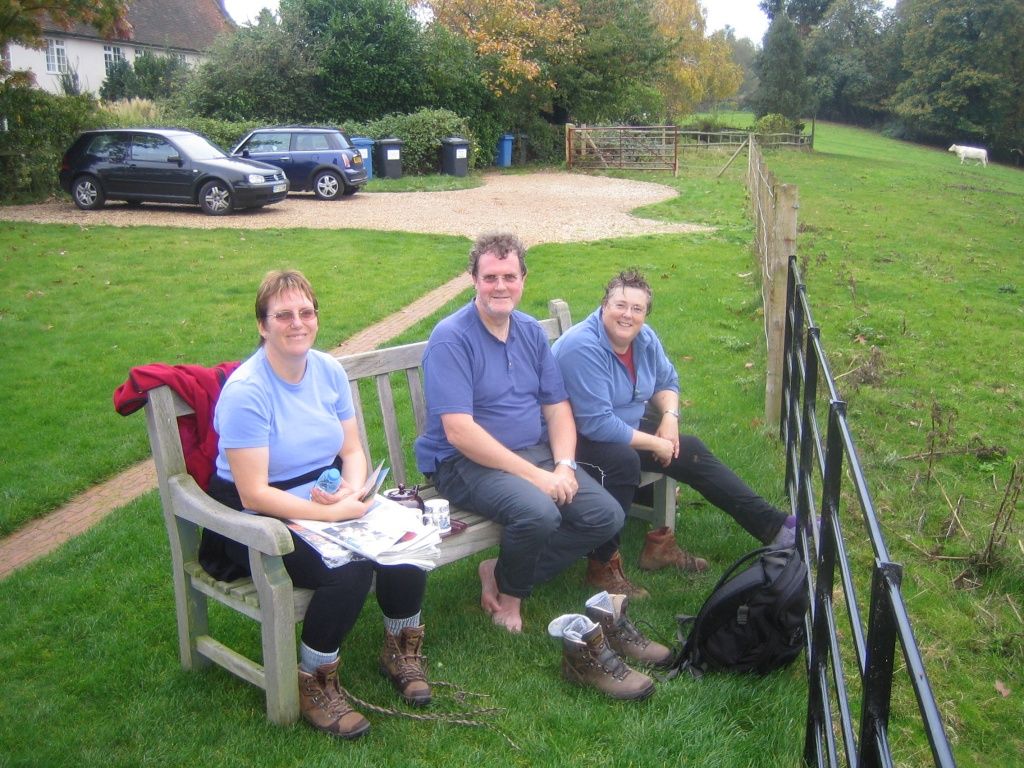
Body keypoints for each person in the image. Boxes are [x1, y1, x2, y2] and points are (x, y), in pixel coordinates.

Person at [209, 269, 430, 740]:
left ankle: (401, 647)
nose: (297, 322)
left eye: (306, 312)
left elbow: (352, 450)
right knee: (349, 573)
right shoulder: (248, 391)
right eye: (283, 314)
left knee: (406, 537)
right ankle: (315, 678)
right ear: (262, 325)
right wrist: (333, 514)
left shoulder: (327, 369)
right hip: (254, 516)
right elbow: (253, 493)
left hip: (323, 492)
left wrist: (351, 493)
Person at [414, 233, 623, 633]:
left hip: (533, 452)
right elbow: (459, 432)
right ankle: (511, 599)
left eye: (509, 276)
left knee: (605, 515)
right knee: (538, 512)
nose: (500, 286)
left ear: (523, 279)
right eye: (490, 277)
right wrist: (538, 477)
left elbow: (557, 406)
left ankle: (501, 571)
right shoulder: (451, 338)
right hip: (463, 463)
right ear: (473, 279)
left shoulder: (528, 332)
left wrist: (563, 465)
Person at [551, 269, 795, 598]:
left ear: (645, 314)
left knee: (689, 449)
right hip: (575, 438)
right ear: (603, 306)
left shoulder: (644, 339)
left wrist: (670, 417)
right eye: (620, 305)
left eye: (637, 309)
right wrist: (656, 443)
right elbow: (596, 423)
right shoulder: (582, 347)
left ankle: (775, 527)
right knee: (622, 461)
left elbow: (667, 382)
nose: (628, 315)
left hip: (624, 427)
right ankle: (602, 567)